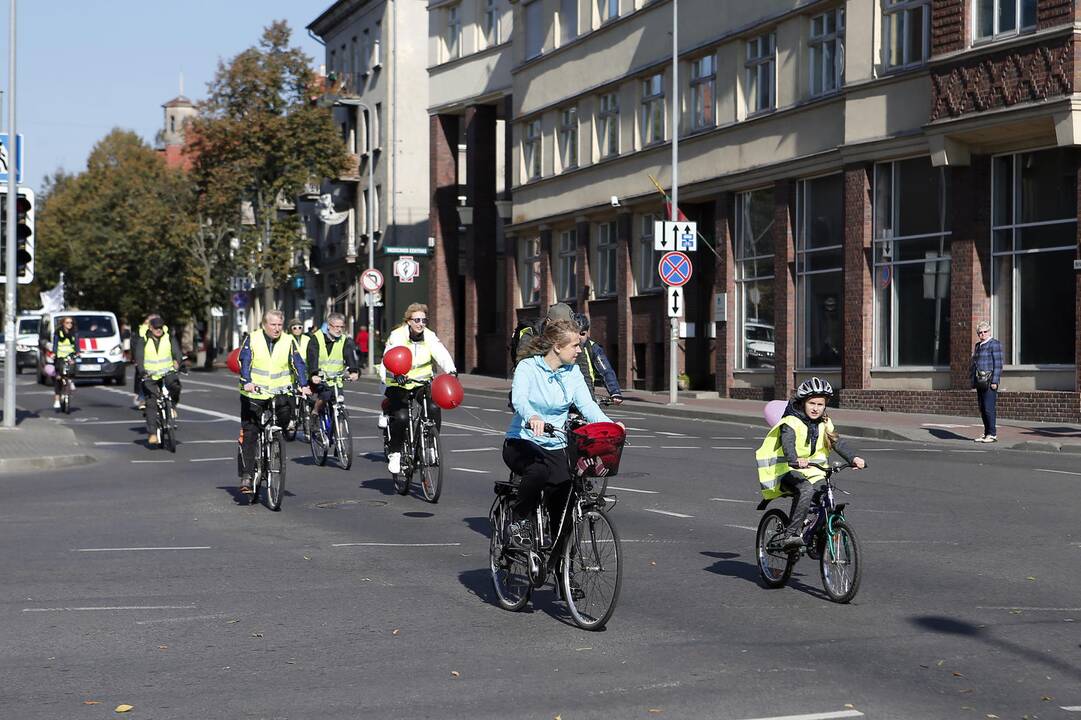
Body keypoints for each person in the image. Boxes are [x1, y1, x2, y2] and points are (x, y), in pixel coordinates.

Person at [502, 319, 621, 548]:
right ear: (557, 346)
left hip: (556, 444)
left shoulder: (573, 372)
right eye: (575, 345)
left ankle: (563, 575)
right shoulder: (528, 367)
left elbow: (588, 407)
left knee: (566, 500)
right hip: (522, 441)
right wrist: (532, 417)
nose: (579, 350)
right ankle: (520, 518)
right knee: (537, 471)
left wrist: (612, 427)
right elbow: (519, 399)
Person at [755, 377, 865, 548]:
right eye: (812, 403)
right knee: (805, 489)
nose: (815, 408)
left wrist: (853, 458)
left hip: (814, 472)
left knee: (826, 497)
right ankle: (790, 535)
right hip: (786, 471)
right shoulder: (790, 422)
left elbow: (836, 441)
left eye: (820, 404)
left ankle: (819, 535)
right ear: (803, 402)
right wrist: (795, 459)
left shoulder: (824, 422)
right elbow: (788, 444)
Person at [237, 310, 310, 494]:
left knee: (286, 418)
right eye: (273, 325)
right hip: (254, 394)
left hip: (279, 392)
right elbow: (244, 361)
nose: (277, 328)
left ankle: (274, 441)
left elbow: (298, 363)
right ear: (264, 325)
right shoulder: (252, 339)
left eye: (279, 325)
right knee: (251, 432)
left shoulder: (288, 340)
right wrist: (247, 381)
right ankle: (247, 475)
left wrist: (303, 384)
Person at [381, 303, 456, 475]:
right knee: (401, 418)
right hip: (398, 383)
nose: (421, 324)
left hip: (421, 382)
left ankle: (429, 444)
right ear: (408, 321)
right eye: (417, 320)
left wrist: (451, 371)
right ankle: (396, 453)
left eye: (424, 320)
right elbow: (389, 356)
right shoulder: (397, 335)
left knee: (433, 407)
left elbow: (440, 353)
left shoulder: (429, 336)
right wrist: (396, 372)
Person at [134, 317, 183, 445]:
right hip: (150, 374)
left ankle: (172, 406)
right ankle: (152, 433)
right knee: (151, 402)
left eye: (160, 327)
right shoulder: (143, 340)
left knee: (175, 385)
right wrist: (142, 371)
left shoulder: (169, 337)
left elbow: (177, 352)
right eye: (156, 328)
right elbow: (139, 357)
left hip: (167, 372)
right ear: (151, 328)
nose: (159, 330)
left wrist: (177, 362)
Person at [307, 312, 360, 421]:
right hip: (320, 379)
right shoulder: (316, 339)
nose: (339, 329)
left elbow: (349, 356)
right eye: (336, 326)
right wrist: (314, 374)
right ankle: (315, 412)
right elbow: (312, 358)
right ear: (329, 326)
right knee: (325, 395)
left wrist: (354, 371)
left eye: (342, 327)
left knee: (338, 402)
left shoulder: (344, 340)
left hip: (336, 380)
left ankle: (337, 433)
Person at [573, 312, 623, 404]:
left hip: (587, 393)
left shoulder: (592, 348)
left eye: (582, 334)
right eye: (576, 333)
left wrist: (615, 392)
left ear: (587, 333)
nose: (579, 337)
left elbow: (606, 370)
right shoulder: (564, 348)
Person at [972, 321, 1003, 443]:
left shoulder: (994, 344)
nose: (982, 334)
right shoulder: (978, 345)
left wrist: (995, 381)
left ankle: (992, 434)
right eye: (980, 332)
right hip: (980, 381)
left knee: (989, 407)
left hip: (990, 381)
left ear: (989, 332)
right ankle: (986, 433)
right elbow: (975, 364)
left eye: (985, 332)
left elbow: (998, 364)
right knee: (982, 407)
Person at [51, 316, 79, 410]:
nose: (69, 325)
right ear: (63, 323)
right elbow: (55, 344)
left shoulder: (74, 333)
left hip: (70, 355)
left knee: (72, 368)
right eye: (67, 323)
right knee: (58, 378)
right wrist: (54, 354)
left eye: (71, 323)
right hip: (60, 356)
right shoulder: (58, 332)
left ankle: (70, 380)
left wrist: (78, 353)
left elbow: (76, 344)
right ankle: (57, 400)